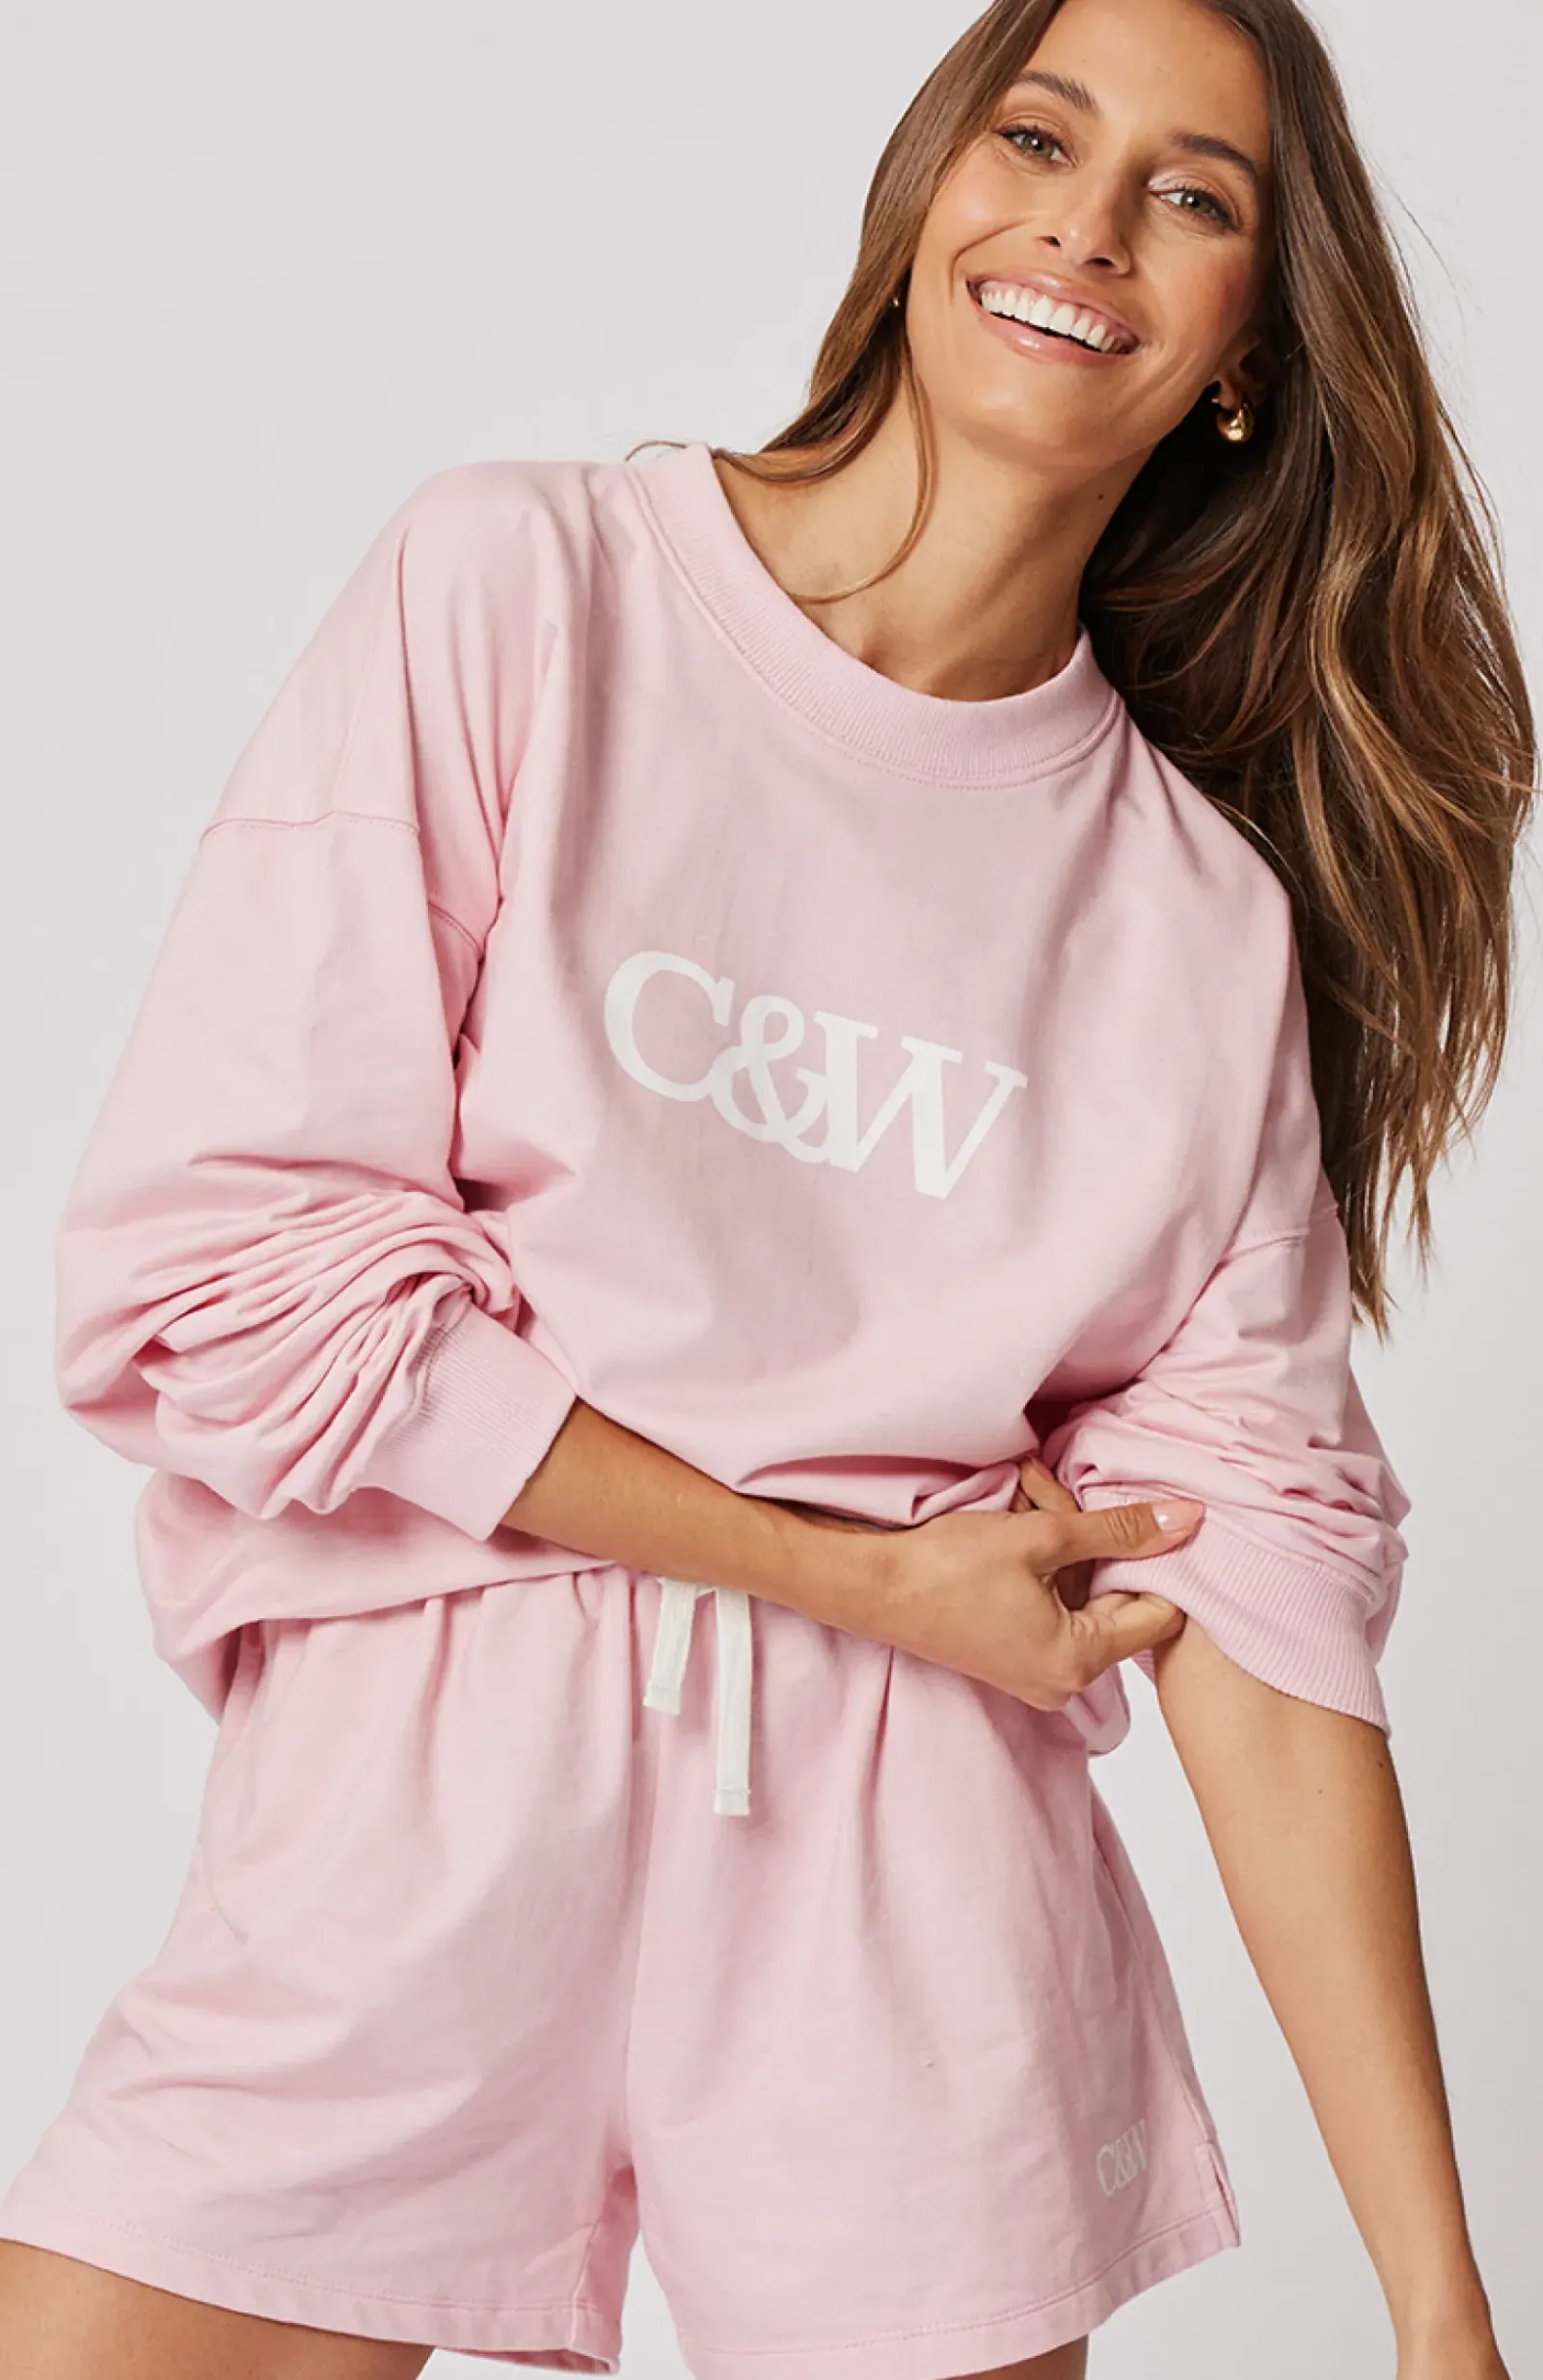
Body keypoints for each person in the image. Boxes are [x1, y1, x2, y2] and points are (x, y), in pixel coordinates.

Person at [0, 0, 1532, 2370]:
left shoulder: (1190, 930)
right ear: (930, 191)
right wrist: (856, 1573)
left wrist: (1440, 2304)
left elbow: (1254, 1589)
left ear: (1243, 348)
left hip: (906, 1897)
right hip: (427, 1789)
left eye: (1189, 195)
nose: (1086, 226)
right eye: (1037, 136)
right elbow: (238, 1270)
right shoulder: (527, 595)